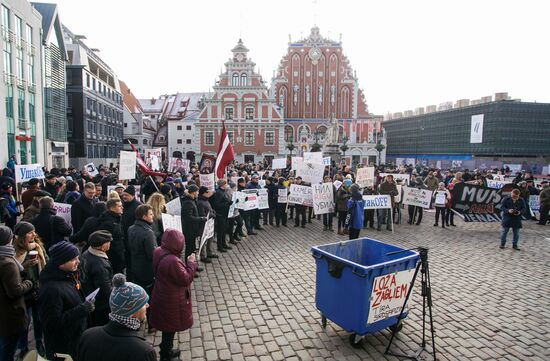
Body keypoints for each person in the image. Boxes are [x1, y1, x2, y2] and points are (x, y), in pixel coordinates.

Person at [77, 274, 157, 361]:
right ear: (131, 312)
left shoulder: (87, 336)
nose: (147, 305)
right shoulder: (144, 352)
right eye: (142, 304)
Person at [38, 241, 95, 360]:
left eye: (77, 257)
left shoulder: (68, 275)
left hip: (75, 339)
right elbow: (52, 324)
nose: (78, 261)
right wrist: (82, 309)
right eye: (73, 259)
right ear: (60, 262)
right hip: (64, 348)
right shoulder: (51, 290)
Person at [149, 229, 196, 361]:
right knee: (170, 327)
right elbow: (186, 278)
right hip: (171, 300)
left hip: (162, 293)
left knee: (167, 326)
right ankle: (166, 354)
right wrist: (191, 263)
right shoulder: (173, 261)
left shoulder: (158, 251)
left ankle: (166, 349)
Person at [12, 222, 48, 357]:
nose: (34, 234)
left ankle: (39, 341)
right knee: (24, 321)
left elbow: (46, 263)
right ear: (21, 236)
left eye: (34, 231)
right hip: (24, 291)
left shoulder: (38, 247)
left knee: (38, 318)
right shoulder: (16, 251)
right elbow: (12, 272)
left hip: (38, 288)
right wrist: (25, 266)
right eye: (29, 232)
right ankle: (23, 346)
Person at [0, 226, 34, 361]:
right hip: (10, 314)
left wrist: (23, 267)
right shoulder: (7, 262)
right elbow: (15, 291)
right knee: (8, 348)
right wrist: (28, 283)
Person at [80, 230, 113, 327]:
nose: (110, 244)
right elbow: (105, 289)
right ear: (102, 247)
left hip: (89, 297)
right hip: (101, 305)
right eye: (108, 242)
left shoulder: (86, 253)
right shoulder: (100, 265)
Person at [127, 205, 157, 297]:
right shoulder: (148, 232)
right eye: (151, 214)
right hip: (146, 270)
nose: (153, 216)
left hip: (135, 267)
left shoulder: (131, 228)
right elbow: (152, 254)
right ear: (144, 217)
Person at [97, 199, 126, 274]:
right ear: (112, 208)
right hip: (113, 257)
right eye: (119, 206)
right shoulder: (108, 223)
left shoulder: (117, 219)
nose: (122, 207)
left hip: (118, 254)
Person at [180, 185, 206, 260]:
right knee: (190, 248)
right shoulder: (188, 202)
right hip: (189, 230)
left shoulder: (191, 200)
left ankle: (192, 264)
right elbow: (188, 217)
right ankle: (189, 264)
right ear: (194, 192)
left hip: (191, 229)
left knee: (192, 247)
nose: (198, 193)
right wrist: (201, 218)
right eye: (197, 191)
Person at [121, 185, 142, 279]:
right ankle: (129, 278)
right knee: (128, 262)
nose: (124, 197)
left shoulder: (139, 206)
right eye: (123, 195)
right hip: (124, 238)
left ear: (133, 196)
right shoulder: (122, 204)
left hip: (134, 239)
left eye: (126, 195)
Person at [210, 180, 232, 252]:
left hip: (225, 213)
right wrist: (227, 204)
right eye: (226, 184)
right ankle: (220, 246)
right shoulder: (218, 193)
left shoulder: (223, 191)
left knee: (224, 229)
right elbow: (216, 205)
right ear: (222, 185)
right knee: (220, 231)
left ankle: (224, 243)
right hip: (220, 214)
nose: (227, 185)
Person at [196, 186, 216, 261]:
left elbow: (209, 209)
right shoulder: (200, 202)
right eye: (208, 192)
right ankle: (203, 256)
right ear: (204, 193)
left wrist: (213, 211)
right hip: (203, 224)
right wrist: (211, 215)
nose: (210, 193)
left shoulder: (206, 200)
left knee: (210, 238)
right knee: (203, 240)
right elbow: (202, 214)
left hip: (209, 223)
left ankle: (209, 252)